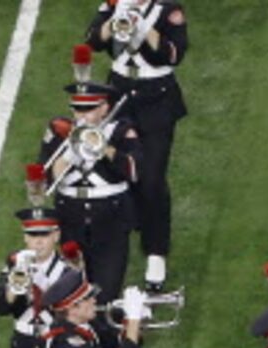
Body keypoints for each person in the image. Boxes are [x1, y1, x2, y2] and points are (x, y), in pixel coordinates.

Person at [82, 3, 187, 289]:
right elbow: (92, 40)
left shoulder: (169, 9)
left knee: (151, 178)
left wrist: (143, 27)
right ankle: (119, 240)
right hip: (118, 95)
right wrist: (114, 20)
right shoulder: (114, 4)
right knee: (121, 172)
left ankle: (156, 251)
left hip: (156, 99)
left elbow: (174, 55)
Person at [35, 69, 141, 301]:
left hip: (111, 216)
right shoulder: (59, 131)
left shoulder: (121, 130)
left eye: (89, 109)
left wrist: (104, 147)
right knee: (73, 291)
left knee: (107, 290)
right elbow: (43, 182)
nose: (81, 115)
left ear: (104, 108)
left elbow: (134, 171)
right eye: (77, 109)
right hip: (70, 216)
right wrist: (68, 154)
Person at [0, 198, 83, 348]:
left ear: (56, 236)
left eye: (45, 234)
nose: (38, 241)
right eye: (33, 235)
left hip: (57, 340)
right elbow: (1, 308)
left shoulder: (68, 269)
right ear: (25, 237)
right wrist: (15, 286)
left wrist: (42, 283)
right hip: (24, 341)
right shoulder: (13, 263)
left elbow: (76, 312)